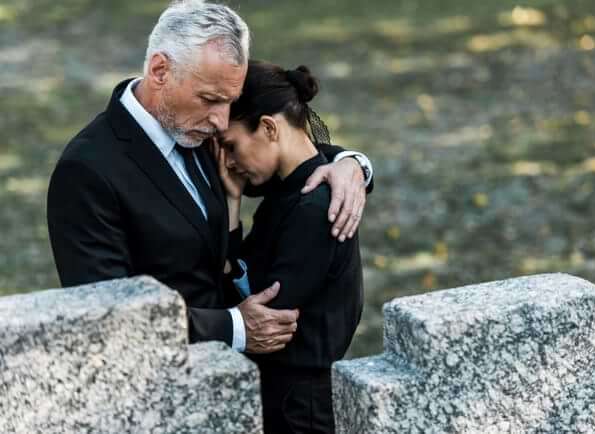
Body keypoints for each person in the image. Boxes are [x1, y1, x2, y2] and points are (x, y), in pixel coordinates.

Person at [46, 1, 373, 354]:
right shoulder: (85, 171)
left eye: (229, 102)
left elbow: (287, 151)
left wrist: (351, 164)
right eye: (210, 99)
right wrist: (233, 326)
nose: (221, 122)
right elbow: (108, 316)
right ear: (160, 71)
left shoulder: (200, 126)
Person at [217, 60, 363, 434]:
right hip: (286, 398)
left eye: (230, 147)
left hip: (302, 409)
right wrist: (232, 206)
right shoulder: (287, 193)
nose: (229, 164)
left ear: (268, 127)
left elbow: (267, 316)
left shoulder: (315, 207)